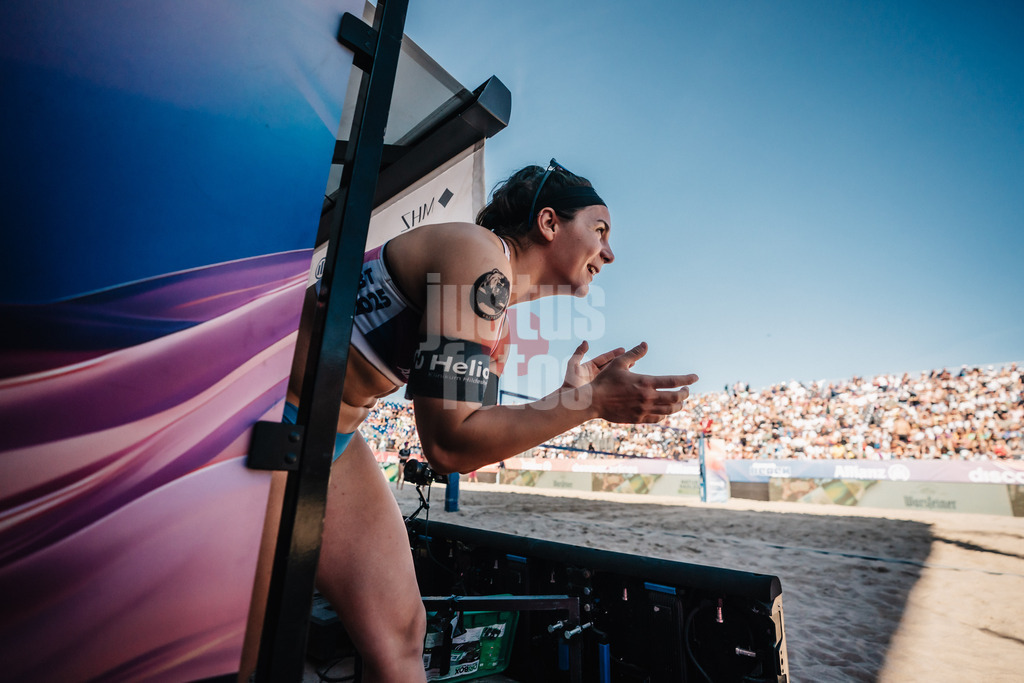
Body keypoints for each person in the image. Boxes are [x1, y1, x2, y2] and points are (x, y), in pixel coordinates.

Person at [244, 159, 699, 682]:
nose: (610, 253)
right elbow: (447, 445)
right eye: (600, 231)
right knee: (242, 650)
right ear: (549, 223)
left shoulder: (499, 314)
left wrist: (569, 399)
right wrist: (587, 404)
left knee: (402, 634)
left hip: (332, 437)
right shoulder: (477, 256)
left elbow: (475, 437)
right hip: (268, 415)